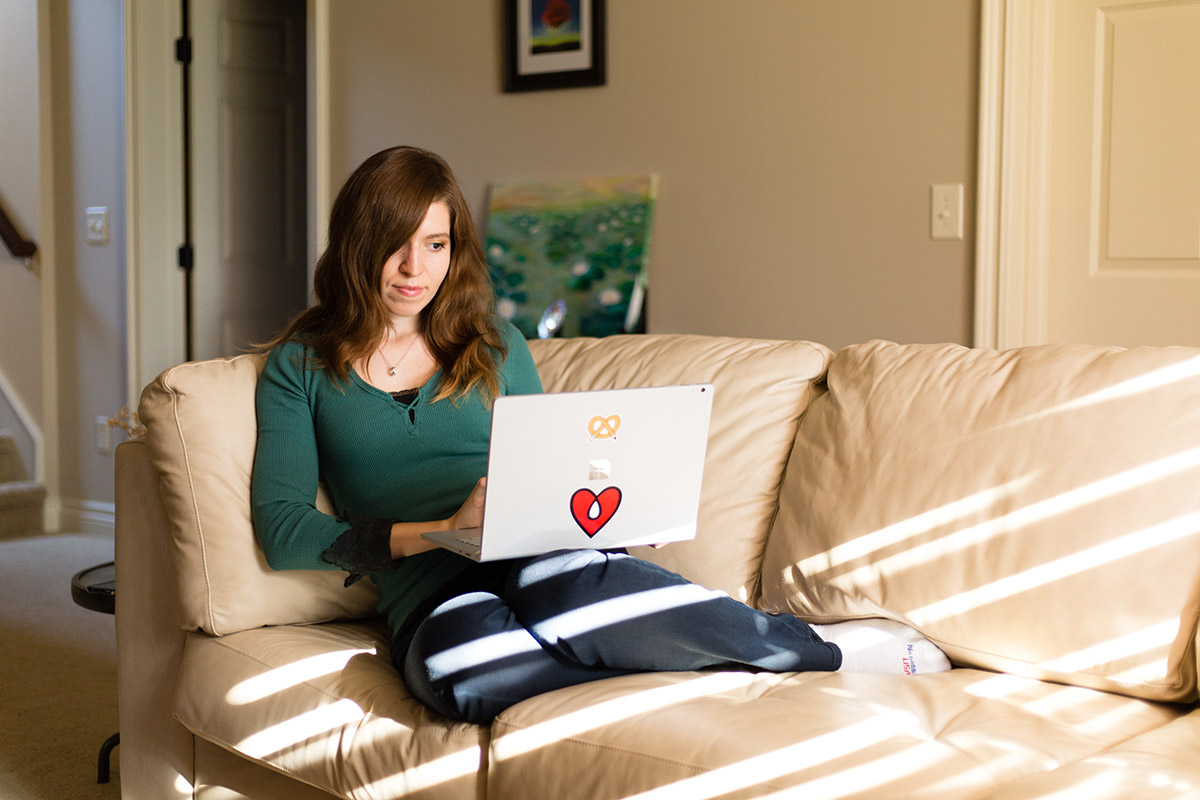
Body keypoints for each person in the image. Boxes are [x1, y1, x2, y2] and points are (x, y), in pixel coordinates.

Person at [252, 145, 951, 725]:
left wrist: (613, 504)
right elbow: (283, 529)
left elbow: (554, 465)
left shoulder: (496, 345)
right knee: (460, 672)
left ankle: (821, 650)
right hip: (432, 590)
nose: (415, 268)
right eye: (395, 246)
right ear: (355, 245)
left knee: (571, 591)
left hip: (543, 557)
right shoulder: (302, 365)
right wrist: (437, 530)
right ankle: (670, 645)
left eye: (435, 245)